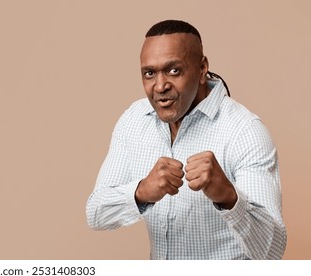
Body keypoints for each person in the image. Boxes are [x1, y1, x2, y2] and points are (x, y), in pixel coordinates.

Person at [85, 20, 286, 259]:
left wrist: (229, 197)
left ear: (202, 69)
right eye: (149, 73)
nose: (160, 86)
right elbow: (96, 213)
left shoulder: (244, 131)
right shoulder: (134, 120)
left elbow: (272, 252)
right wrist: (141, 192)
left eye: (173, 70)